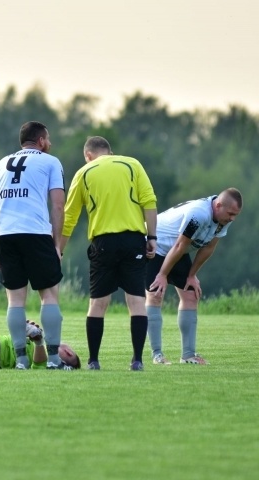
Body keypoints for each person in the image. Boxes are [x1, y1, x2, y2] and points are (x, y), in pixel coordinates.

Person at [58, 136, 157, 371]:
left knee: (98, 303)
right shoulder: (133, 164)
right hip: (134, 240)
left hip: (103, 243)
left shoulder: (84, 172)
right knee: (136, 302)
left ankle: (93, 360)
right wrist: (151, 237)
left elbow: (69, 217)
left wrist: (58, 249)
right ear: (110, 152)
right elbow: (149, 201)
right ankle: (137, 360)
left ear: (88, 155)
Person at [0, 121, 65, 370]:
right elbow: (59, 206)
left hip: (6, 235)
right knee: (49, 295)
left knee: (15, 301)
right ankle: (53, 359)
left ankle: (21, 360)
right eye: (48, 139)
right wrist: (57, 244)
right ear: (40, 141)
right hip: (36, 233)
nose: (49, 144)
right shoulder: (51, 162)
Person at [146, 189, 243, 365]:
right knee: (155, 294)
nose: (232, 219)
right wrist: (162, 274)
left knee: (191, 294)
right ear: (218, 205)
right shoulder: (198, 214)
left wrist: (192, 275)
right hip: (156, 246)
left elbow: (208, 248)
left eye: (235, 215)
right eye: (230, 214)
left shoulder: (223, 218)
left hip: (178, 250)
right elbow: (180, 245)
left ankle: (188, 355)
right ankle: (157, 355)